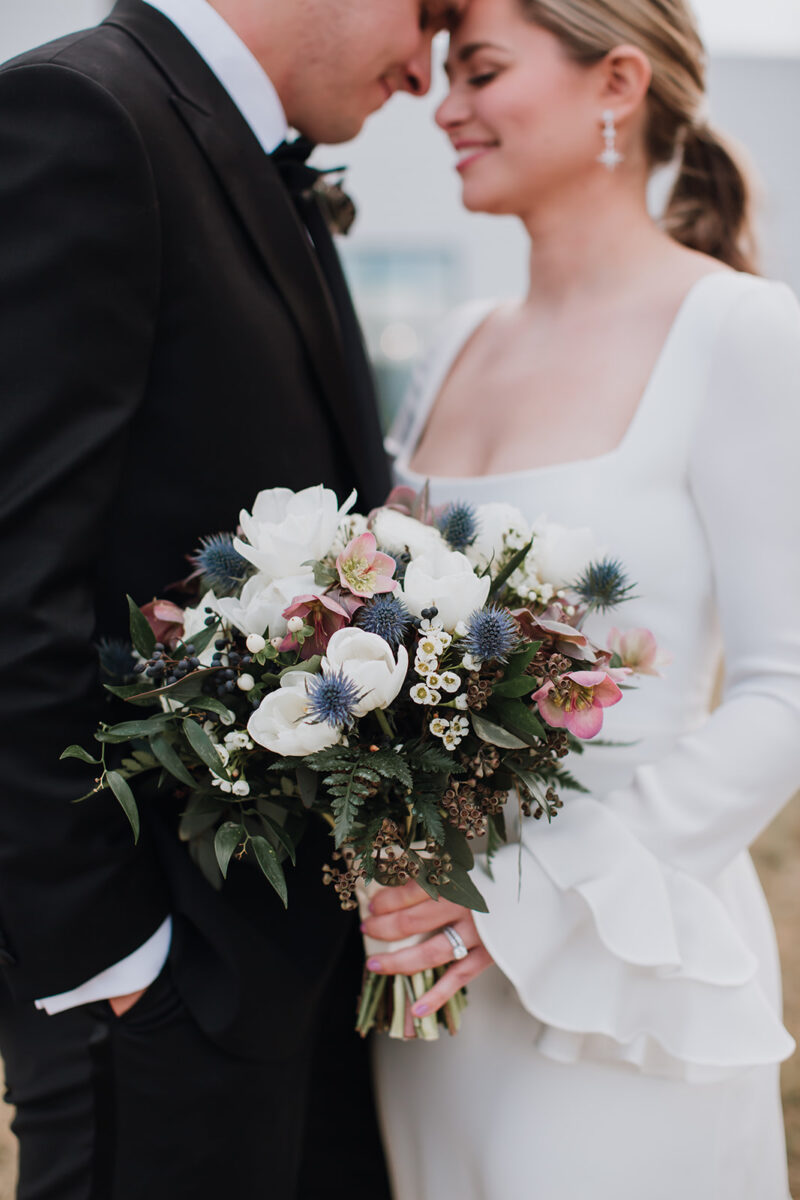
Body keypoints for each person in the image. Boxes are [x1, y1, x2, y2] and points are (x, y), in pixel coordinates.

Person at [0, 0, 466, 1195]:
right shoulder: (83, 116)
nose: (425, 73)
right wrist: (118, 958)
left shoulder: (250, 158)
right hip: (158, 991)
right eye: (430, 15)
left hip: (290, 987)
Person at [361, 0, 800, 1195]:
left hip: (621, 971)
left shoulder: (741, 334)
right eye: (445, 71)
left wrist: (524, 905)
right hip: (425, 966)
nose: (442, 104)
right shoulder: (454, 339)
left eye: (482, 70)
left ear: (616, 84)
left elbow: (783, 691)